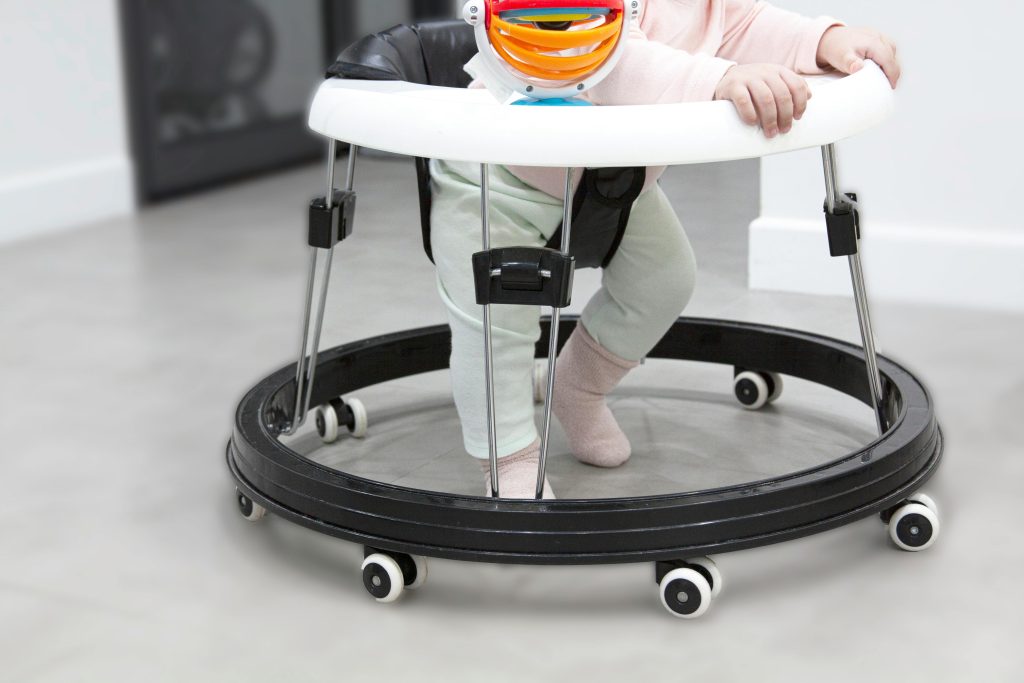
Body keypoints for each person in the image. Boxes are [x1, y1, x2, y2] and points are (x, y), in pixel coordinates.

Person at [430, 0, 901, 498]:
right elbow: (605, 59)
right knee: (497, 327)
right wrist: (721, 79)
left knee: (663, 280)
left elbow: (742, 23)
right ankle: (510, 457)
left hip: (612, 180)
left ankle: (577, 386)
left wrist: (823, 42)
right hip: (500, 176)